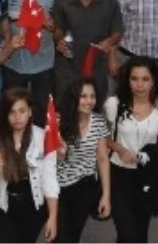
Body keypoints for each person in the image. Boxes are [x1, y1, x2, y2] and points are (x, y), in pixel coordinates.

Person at [103, 56, 158, 244]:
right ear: (127, 80)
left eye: (145, 79)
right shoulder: (114, 104)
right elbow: (102, 137)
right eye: (134, 79)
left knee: (139, 232)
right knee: (128, 233)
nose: (139, 85)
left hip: (146, 175)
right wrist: (119, 149)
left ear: (153, 80)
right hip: (119, 175)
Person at [0, 89, 60, 243]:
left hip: (33, 206)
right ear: (5, 114)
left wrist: (53, 217)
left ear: (30, 112)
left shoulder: (43, 138)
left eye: (22, 111)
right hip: (1, 206)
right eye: (12, 112)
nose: (17, 117)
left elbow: (49, 180)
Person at [52, 0, 124, 102]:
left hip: (97, 64)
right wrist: (58, 40)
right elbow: (58, 29)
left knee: (95, 105)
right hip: (68, 65)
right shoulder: (62, 1)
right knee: (65, 104)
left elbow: (117, 30)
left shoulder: (109, 1)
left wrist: (110, 42)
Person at [0, 0, 58, 114]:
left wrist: (53, 27)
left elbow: (61, 28)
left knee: (43, 113)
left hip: (44, 64)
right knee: (12, 111)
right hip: (13, 63)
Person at [53, 77, 111, 243]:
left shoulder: (98, 122)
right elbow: (47, 162)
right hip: (59, 188)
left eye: (92, 96)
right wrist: (61, 155)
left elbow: (102, 159)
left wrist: (106, 195)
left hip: (85, 187)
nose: (89, 101)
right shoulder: (57, 121)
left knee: (73, 235)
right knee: (62, 236)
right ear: (74, 98)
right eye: (83, 96)